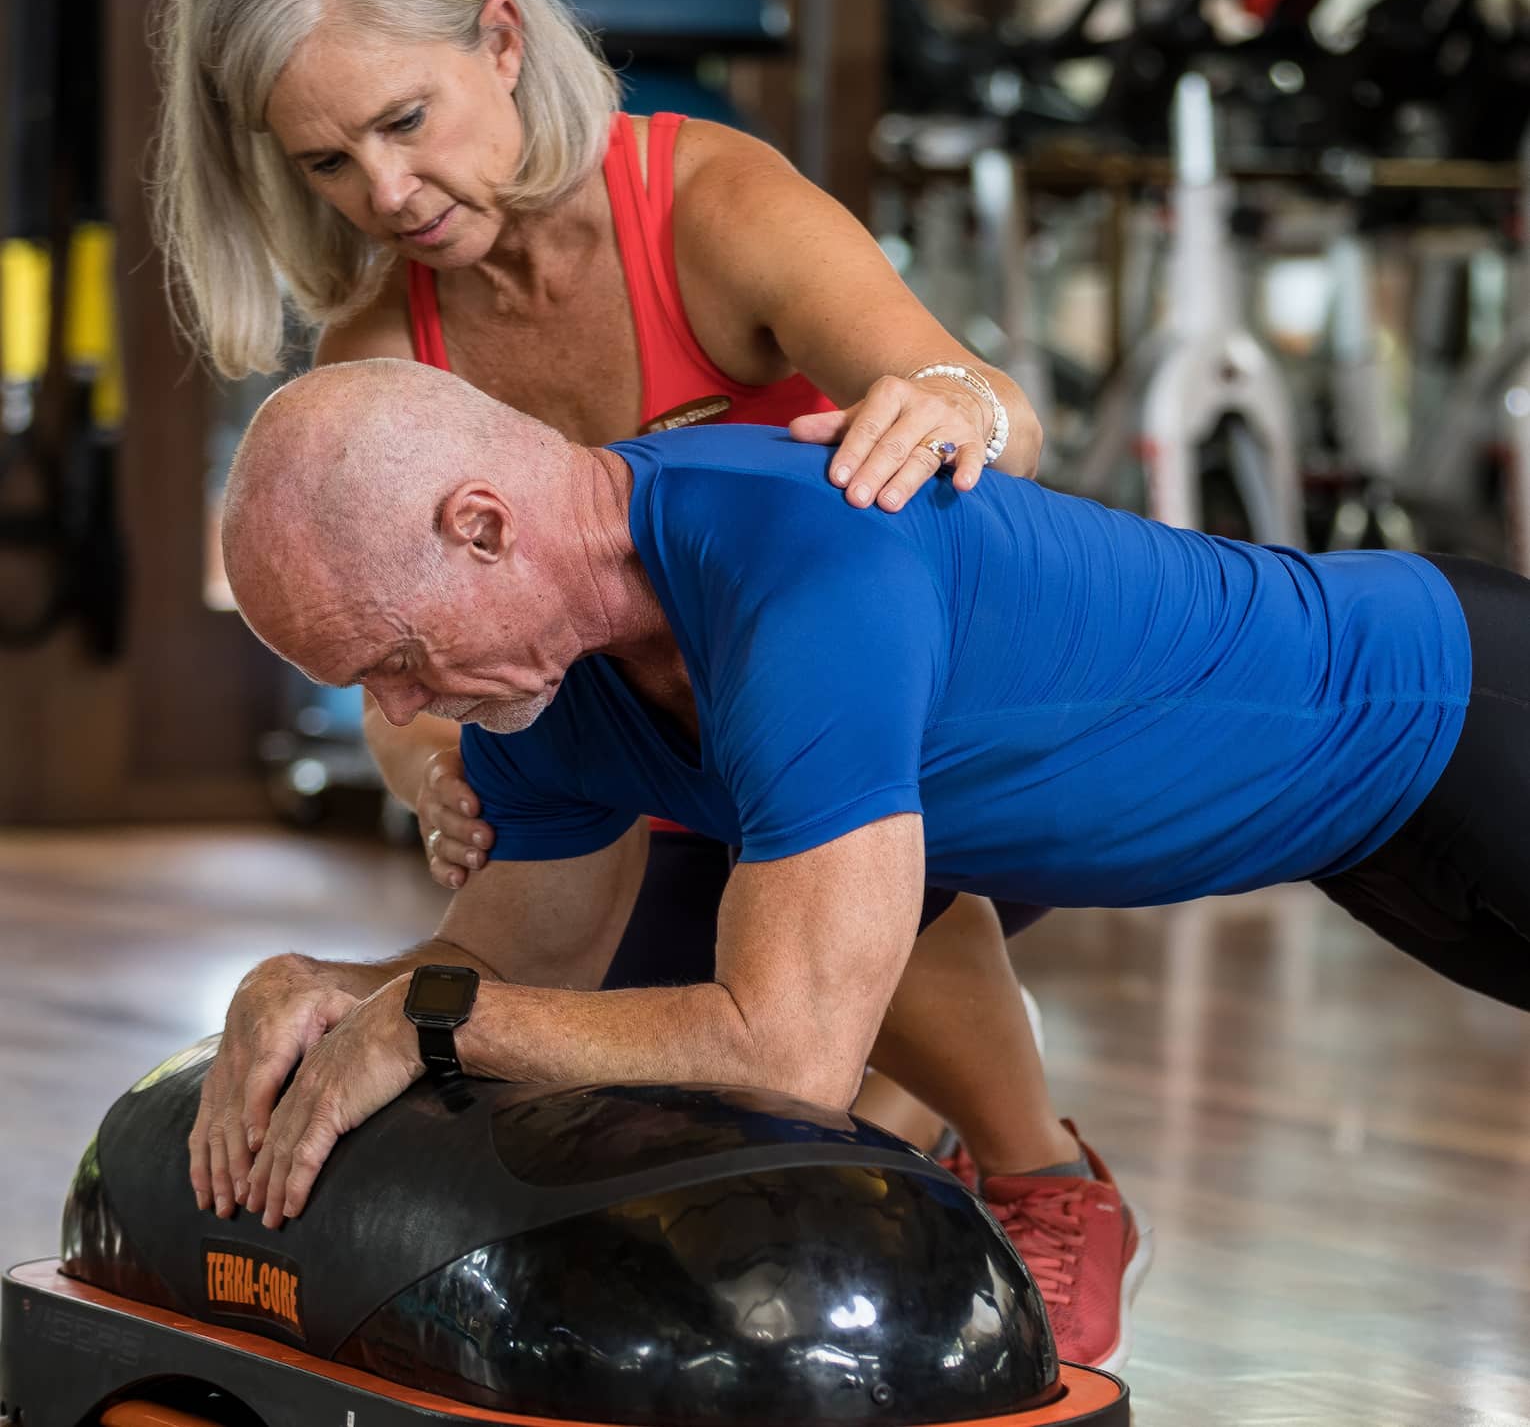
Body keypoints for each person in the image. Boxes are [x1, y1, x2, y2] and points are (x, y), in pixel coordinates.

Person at [154, 0, 1142, 1371]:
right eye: (328, 159)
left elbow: (985, 397)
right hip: (653, 795)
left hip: (889, 744)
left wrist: (959, 406)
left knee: (785, 850)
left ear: (500, 41)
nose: (387, 185)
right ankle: (884, 1144)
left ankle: (1041, 1170)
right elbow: (400, 672)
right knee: (615, 1061)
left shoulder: (703, 207)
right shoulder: (379, 352)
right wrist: (432, 767)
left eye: (406, 118)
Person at [216, 360, 1522, 1369]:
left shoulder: (795, 569)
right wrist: (324, 985)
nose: (396, 715)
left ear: (483, 527)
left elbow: (788, 1050)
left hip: (1460, 715)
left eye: (388, 656)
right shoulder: (547, 681)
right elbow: (510, 961)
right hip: (1364, 835)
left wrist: (429, 1020)